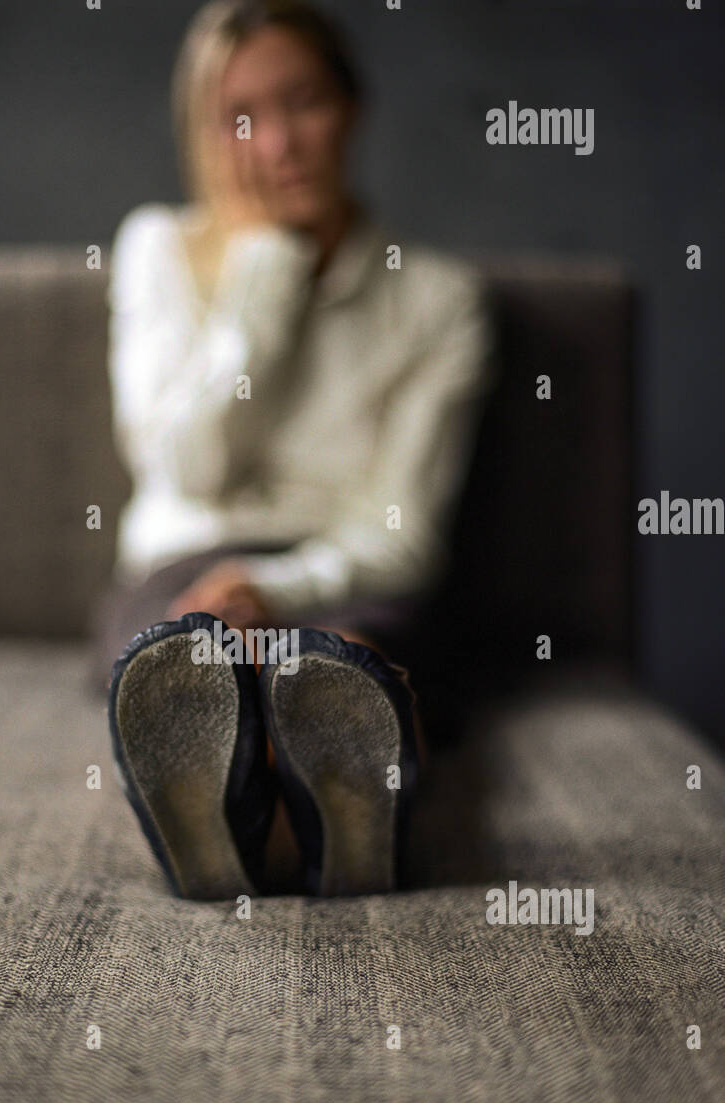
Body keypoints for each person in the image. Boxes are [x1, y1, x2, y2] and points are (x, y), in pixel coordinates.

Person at [96, 0, 498, 900]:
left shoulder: (437, 300)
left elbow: (403, 536)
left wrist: (276, 590)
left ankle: (300, 819)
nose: (278, 142)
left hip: (349, 570)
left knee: (348, 656)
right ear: (205, 133)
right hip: (189, 565)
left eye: (303, 101)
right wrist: (265, 277)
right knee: (193, 654)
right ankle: (287, 828)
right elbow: (191, 469)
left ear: (352, 107)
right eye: (240, 117)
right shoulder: (158, 249)